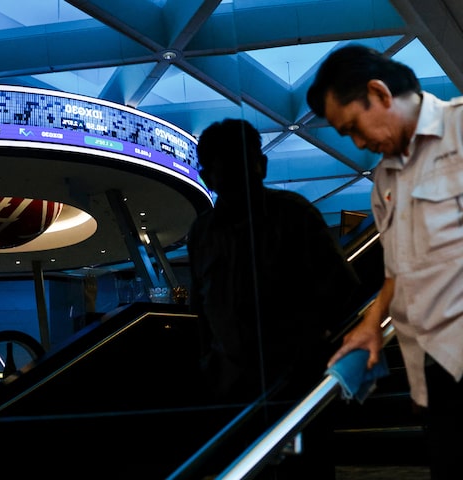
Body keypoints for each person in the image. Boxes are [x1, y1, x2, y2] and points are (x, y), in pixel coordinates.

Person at [307, 43, 463, 480]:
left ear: (378, 93)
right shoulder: (384, 182)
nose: (359, 143)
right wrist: (372, 322)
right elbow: (398, 270)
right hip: (441, 373)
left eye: (354, 127)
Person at [187, 118, 361, 478]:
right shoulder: (202, 232)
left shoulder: (294, 214)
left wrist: (306, 352)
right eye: (230, 168)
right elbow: (201, 309)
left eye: (244, 164)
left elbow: (343, 291)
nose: (242, 177)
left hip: (293, 386)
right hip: (233, 392)